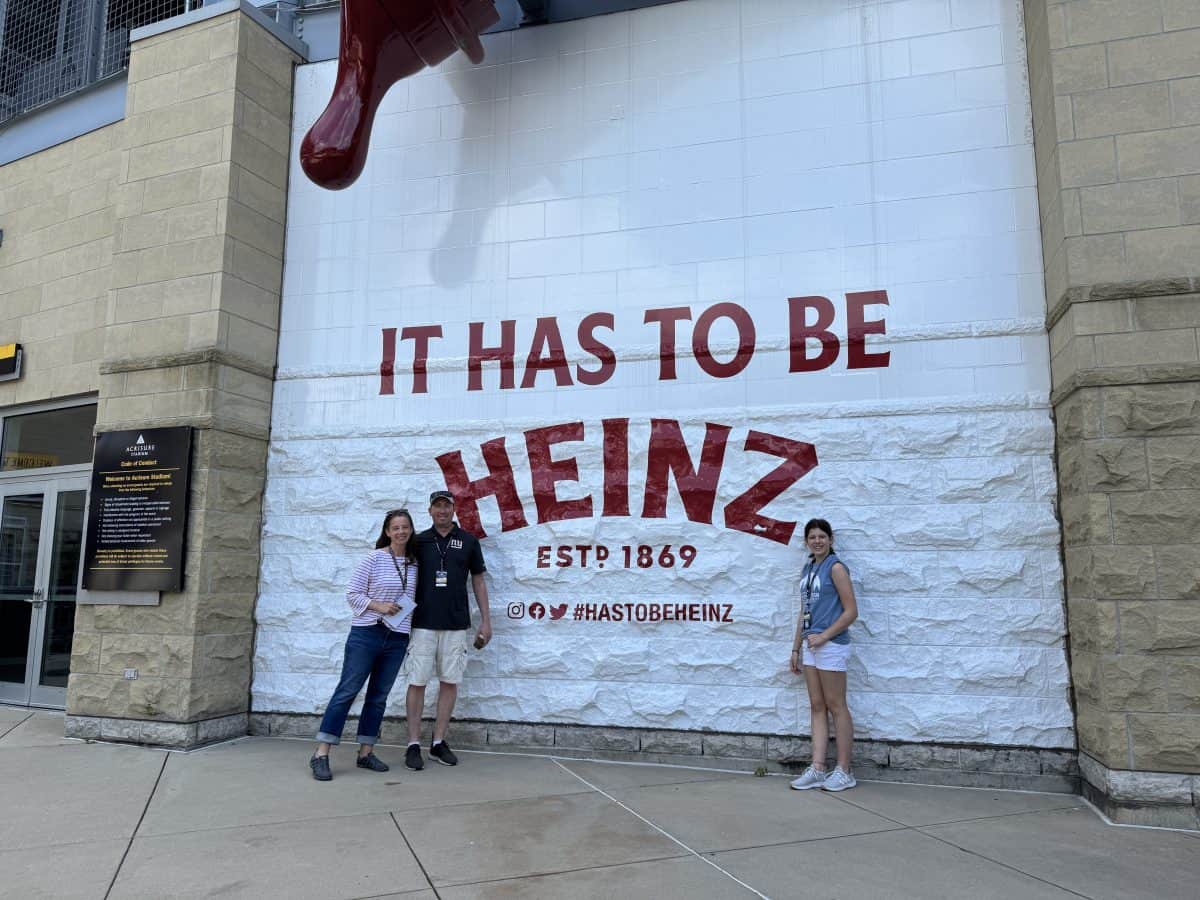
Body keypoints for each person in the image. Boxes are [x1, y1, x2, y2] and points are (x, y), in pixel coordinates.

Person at [309, 508, 417, 781]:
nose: (401, 532)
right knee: (347, 690)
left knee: (378, 697)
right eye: (396, 528)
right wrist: (379, 606)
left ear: (411, 530)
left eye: (405, 527)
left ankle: (365, 752)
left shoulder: (415, 563)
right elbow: (352, 594)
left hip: (397, 637)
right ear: (387, 531)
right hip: (366, 634)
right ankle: (321, 753)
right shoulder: (374, 558)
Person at [403, 490, 492, 770]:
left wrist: (486, 621)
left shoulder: (468, 542)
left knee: (449, 681)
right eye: (437, 506)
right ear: (429, 511)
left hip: (455, 624)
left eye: (447, 506)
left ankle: (438, 742)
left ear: (454, 510)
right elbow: (400, 575)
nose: (442, 511)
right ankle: (413, 743)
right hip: (422, 624)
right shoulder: (417, 541)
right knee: (416, 682)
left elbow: (478, 581)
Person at [788, 518, 859, 792]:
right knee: (817, 706)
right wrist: (796, 647)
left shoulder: (836, 567)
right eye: (812, 537)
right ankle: (818, 768)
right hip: (810, 645)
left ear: (830, 540)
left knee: (836, 705)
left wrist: (826, 636)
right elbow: (803, 613)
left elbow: (851, 611)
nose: (817, 541)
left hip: (831, 644)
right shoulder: (809, 568)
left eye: (822, 536)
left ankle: (844, 770)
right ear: (806, 541)